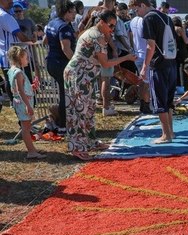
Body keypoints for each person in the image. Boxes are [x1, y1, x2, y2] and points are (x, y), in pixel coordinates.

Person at [64, 10, 137, 160]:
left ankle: (90, 141)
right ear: (102, 22)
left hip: (83, 76)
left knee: (89, 109)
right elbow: (105, 63)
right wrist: (126, 58)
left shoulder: (94, 33)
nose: (112, 29)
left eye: (114, 27)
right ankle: (78, 147)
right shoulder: (97, 37)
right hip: (79, 76)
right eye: (110, 25)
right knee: (79, 111)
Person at [133, 0, 178, 144]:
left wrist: (145, 66)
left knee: (159, 100)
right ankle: (170, 131)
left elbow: (150, 46)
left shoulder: (148, 18)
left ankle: (166, 134)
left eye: (136, 10)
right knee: (168, 100)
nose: (136, 13)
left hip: (158, 64)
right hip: (171, 62)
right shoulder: (166, 17)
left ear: (143, 5)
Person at [44, 0, 76, 130]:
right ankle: (63, 125)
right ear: (66, 12)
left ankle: (59, 120)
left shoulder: (51, 23)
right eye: (72, 12)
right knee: (65, 94)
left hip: (51, 61)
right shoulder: (64, 27)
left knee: (64, 93)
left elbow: (45, 41)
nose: (74, 14)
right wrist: (76, 63)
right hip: (60, 63)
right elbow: (66, 49)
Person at [7, 46, 44, 159]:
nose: (28, 60)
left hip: (20, 101)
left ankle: (32, 150)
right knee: (26, 128)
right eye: (26, 58)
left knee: (26, 127)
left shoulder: (11, 70)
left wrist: (32, 87)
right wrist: (28, 106)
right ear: (20, 58)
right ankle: (31, 151)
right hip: (23, 103)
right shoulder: (18, 73)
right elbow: (20, 90)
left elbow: (20, 88)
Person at [0, 0, 31, 101]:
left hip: (5, 54)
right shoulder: (4, 16)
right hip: (12, 55)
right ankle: (19, 104)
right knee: (15, 82)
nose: (11, 1)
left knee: (11, 82)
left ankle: (16, 104)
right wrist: (31, 42)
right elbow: (20, 36)